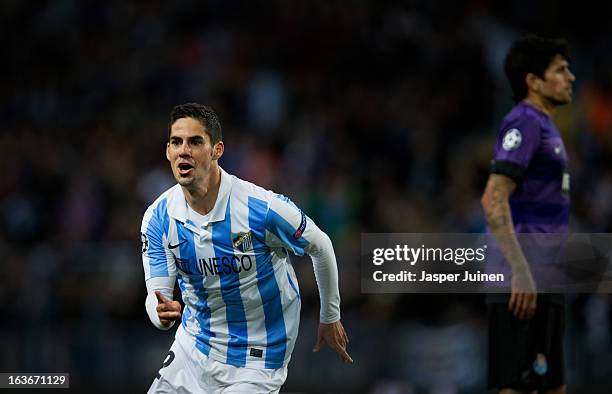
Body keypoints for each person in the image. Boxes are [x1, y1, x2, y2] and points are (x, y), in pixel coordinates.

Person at [141, 103, 352, 393]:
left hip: (260, 353)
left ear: (217, 150)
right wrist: (159, 314)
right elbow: (156, 297)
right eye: (177, 142)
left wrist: (330, 316)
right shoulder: (158, 218)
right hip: (195, 347)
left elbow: (321, 245)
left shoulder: (261, 208)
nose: (184, 151)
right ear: (168, 151)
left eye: (195, 142)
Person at [481, 34, 575, 394]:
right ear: (533, 82)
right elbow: (493, 197)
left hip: (544, 277)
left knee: (551, 387)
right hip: (521, 283)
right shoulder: (524, 123)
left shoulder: (547, 127)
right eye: (560, 70)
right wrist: (520, 271)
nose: (571, 77)